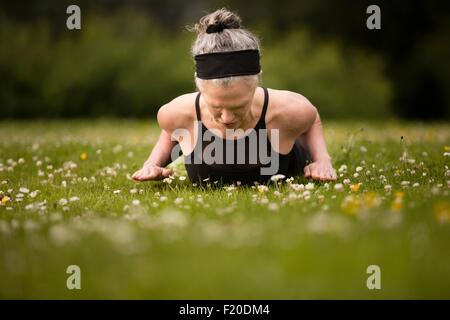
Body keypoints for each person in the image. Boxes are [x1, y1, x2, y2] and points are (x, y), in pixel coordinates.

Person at [132, 8, 337, 185]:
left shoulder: (289, 109)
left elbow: (312, 118)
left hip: (290, 147)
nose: (228, 118)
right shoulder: (177, 112)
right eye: (217, 107)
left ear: (257, 81)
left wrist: (322, 159)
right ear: (198, 85)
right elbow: (171, 130)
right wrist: (153, 164)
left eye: (238, 106)